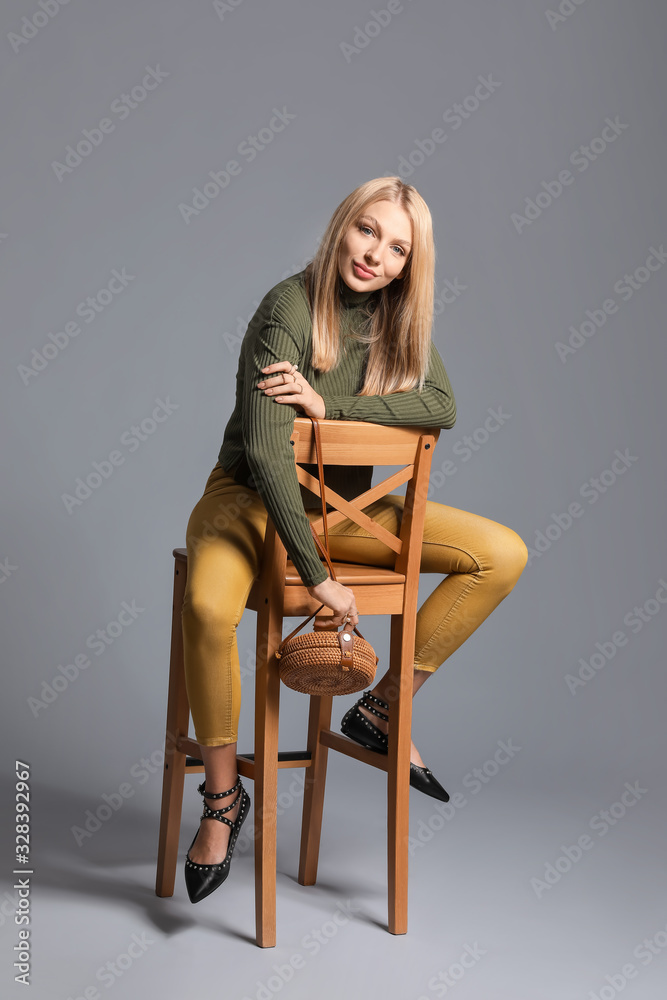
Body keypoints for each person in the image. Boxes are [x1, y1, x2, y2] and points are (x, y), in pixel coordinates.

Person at [181, 176, 528, 903]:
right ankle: (222, 799)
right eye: (368, 231)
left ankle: (385, 707)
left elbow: (442, 405)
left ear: (410, 264)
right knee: (211, 611)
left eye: (398, 248)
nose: (376, 256)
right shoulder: (287, 308)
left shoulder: (395, 320)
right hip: (246, 500)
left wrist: (331, 401)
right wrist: (317, 576)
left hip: (348, 511)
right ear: (343, 223)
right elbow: (273, 456)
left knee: (501, 553)